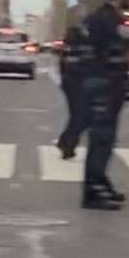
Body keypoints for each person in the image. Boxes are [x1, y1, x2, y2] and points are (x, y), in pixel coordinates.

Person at [80, 0, 129, 210]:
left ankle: (100, 183)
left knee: (101, 137)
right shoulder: (112, 21)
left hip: (92, 82)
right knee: (103, 138)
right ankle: (94, 190)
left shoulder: (94, 18)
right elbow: (126, 56)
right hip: (107, 84)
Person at [55, 25, 91, 159]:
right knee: (82, 117)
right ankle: (66, 143)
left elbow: (62, 67)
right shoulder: (81, 50)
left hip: (70, 84)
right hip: (78, 85)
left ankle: (67, 143)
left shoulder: (67, 49)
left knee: (78, 116)